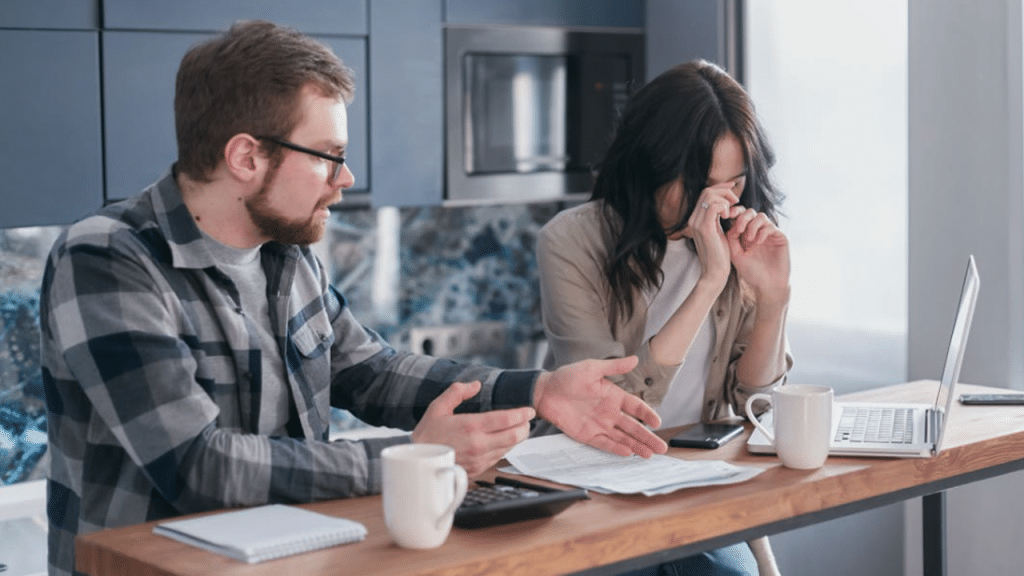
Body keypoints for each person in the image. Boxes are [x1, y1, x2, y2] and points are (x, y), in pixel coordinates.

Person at [39, 20, 668, 576]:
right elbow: (197, 466)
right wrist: (413, 459)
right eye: (329, 156)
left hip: (296, 555)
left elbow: (374, 373)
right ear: (244, 156)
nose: (347, 179)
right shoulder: (108, 260)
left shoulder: (286, 254)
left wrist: (537, 391)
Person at [534, 60, 793, 576]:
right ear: (650, 167)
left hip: (691, 483)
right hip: (588, 484)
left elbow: (756, 408)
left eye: (734, 183)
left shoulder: (742, 239)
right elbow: (611, 414)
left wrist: (774, 299)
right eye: (699, 184)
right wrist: (708, 283)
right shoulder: (570, 242)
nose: (719, 203)